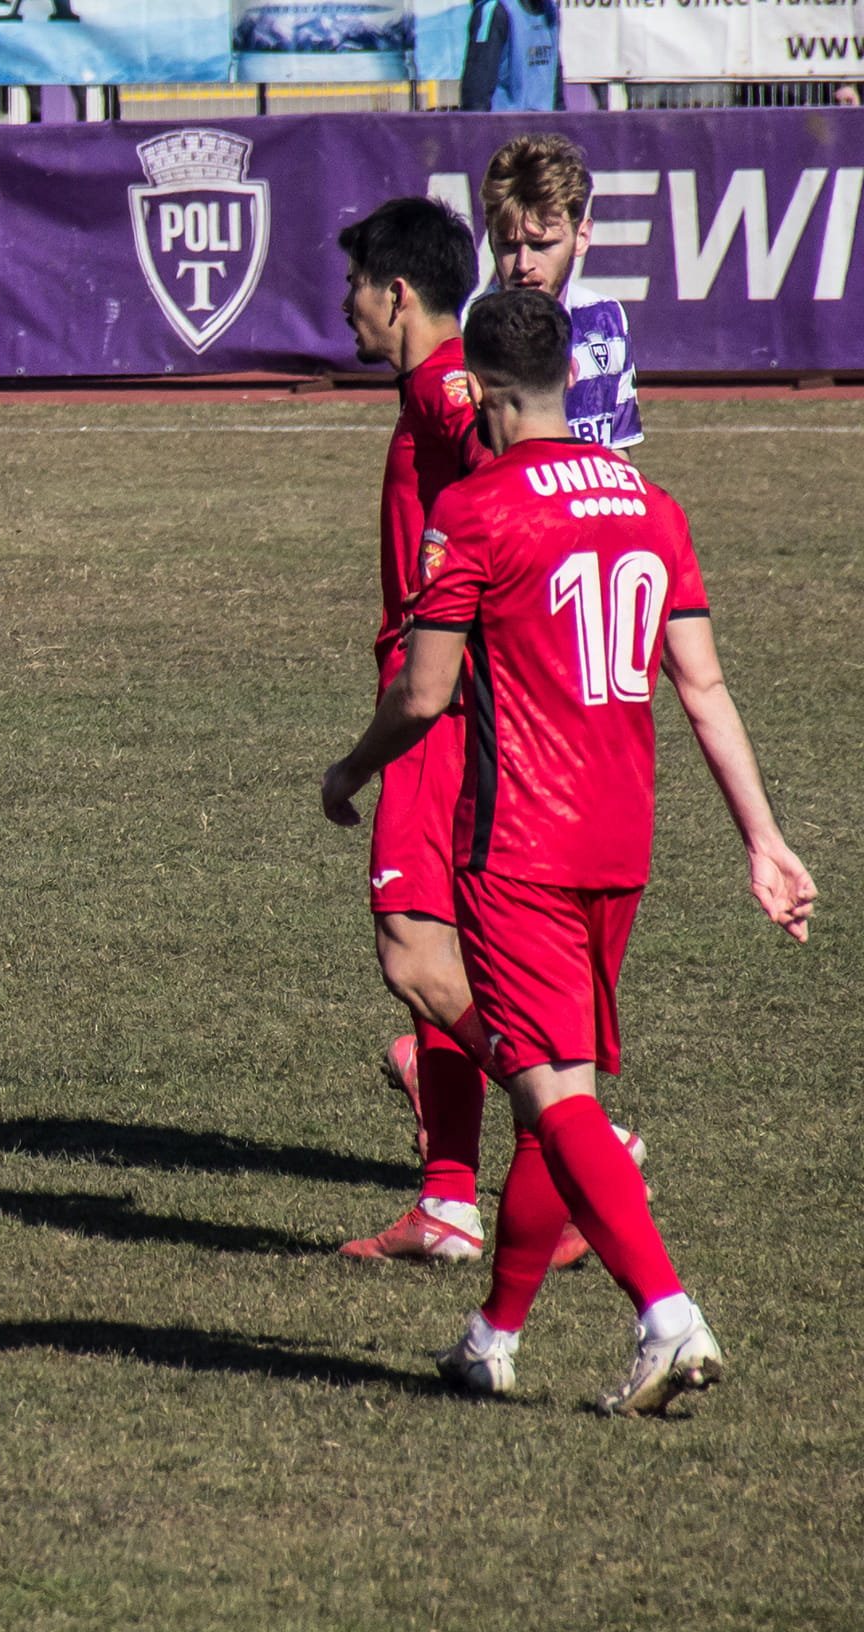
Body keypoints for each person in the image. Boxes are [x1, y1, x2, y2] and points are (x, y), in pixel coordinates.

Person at [321, 288, 817, 1413]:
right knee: (560, 1093)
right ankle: (490, 1336)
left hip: (519, 842)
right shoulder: (651, 502)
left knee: (555, 1099)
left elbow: (425, 693)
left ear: (483, 392)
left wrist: (348, 770)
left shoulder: (474, 508)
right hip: (620, 839)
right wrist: (764, 839)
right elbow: (701, 687)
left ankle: (666, 1314)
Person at [332, 196, 496, 1264]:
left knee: (410, 948)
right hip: (450, 699)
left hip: (441, 708)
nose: (342, 306)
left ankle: (575, 1125)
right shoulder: (431, 386)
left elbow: (507, 483)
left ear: (396, 294)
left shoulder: (443, 386)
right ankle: (447, 1201)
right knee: (444, 948)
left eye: (353, 286)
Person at [482, 134, 640, 454]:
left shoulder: (606, 320)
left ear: (581, 237)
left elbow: (618, 455)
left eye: (542, 245)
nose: (523, 264)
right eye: (509, 245)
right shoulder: (468, 333)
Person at [459, 0, 562, 112]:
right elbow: (476, 94)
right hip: (504, 120)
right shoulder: (495, 11)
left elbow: (556, 90)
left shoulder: (551, 12)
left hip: (544, 120)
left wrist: (560, 119)